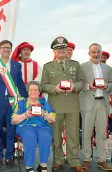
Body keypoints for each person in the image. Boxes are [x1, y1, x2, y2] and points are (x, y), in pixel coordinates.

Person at [41, 36, 84, 172]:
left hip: (72, 105)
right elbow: (43, 85)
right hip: (55, 105)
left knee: (73, 135)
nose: (61, 50)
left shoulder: (76, 65)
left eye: (63, 48)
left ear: (67, 50)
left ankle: (74, 161)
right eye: (58, 49)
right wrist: (55, 89)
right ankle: (58, 160)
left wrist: (74, 87)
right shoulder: (47, 67)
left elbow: (82, 82)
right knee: (56, 135)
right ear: (54, 51)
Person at [0, 40, 28, 166]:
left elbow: (20, 83)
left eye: (8, 48)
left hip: (13, 102)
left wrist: (27, 99)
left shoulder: (17, 65)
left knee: (11, 130)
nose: (6, 50)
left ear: (11, 50)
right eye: (4, 48)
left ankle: (9, 156)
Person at [79, 43, 112, 171]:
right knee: (87, 133)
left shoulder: (108, 69)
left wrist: (107, 85)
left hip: (102, 103)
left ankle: (102, 159)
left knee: (102, 134)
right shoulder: (82, 67)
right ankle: (87, 159)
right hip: (87, 103)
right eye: (93, 52)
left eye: (98, 52)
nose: (96, 54)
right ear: (89, 53)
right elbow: (79, 84)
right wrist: (88, 86)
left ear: (101, 53)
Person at [12, 81, 56, 172]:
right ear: (27, 91)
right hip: (25, 125)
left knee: (46, 136)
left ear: (39, 92)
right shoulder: (21, 103)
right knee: (30, 136)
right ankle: (29, 167)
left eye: (36, 90)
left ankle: (43, 165)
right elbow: (14, 120)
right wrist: (25, 115)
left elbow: (53, 119)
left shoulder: (44, 103)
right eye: (31, 90)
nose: (33, 92)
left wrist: (45, 114)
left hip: (42, 126)